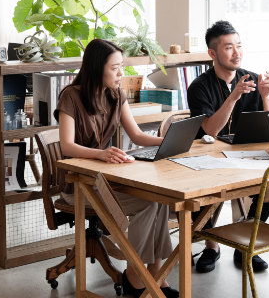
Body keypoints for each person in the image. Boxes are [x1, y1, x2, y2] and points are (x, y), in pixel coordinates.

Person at [55, 39, 178, 298]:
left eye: (122, 66)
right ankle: (135, 274)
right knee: (147, 203)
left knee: (159, 199)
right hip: (79, 184)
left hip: (107, 179)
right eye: (115, 68)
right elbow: (66, 146)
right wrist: (101, 154)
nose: (122, 73)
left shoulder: (116, 94)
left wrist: (172, 141)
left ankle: (154, 272)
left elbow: (137, 134)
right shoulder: (71, 96)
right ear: (97, 68)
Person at [186, 20, 269, 273]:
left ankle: (244, 242)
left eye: (239, 46)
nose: (236, 53)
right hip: (206, 160)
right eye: (228, 48)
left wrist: (266, 95)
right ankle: (211, 246)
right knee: (201, 190)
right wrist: (234, 95)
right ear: (212, 54)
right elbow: (211, 130)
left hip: (244, 158)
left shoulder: (253, 79)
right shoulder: (199, 87)